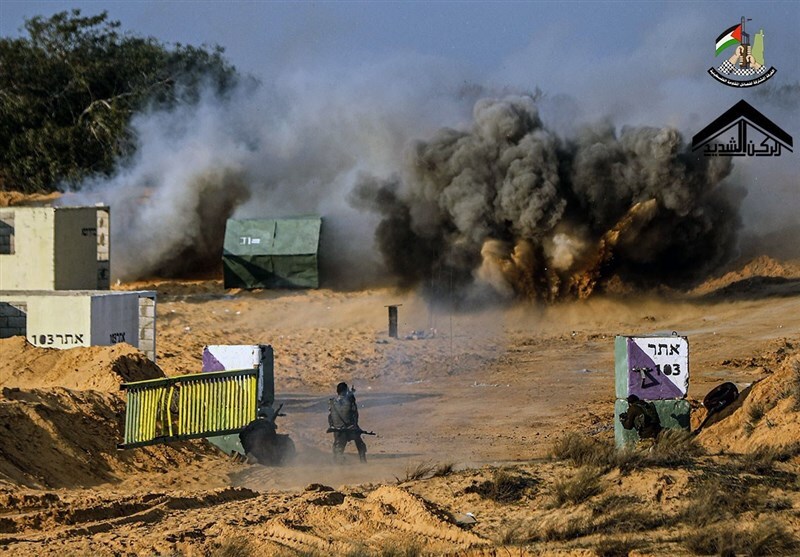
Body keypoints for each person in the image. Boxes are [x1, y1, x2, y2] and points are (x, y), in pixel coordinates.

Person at [328, 382, 367, 463]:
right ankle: (363, 461)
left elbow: (330, 416)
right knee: (361, 445)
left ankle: (336, 466)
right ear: (345, 391)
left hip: (337, 429)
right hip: (350, 429)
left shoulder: (332, 402)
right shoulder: (350, 400)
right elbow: (354, 413)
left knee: (338, 448)